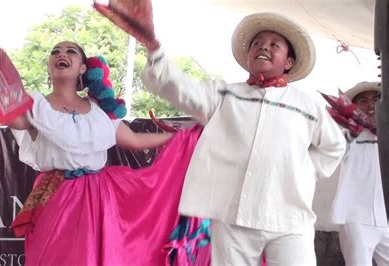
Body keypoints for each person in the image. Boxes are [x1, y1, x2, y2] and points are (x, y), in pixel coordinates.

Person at [95, 4, 347, 265]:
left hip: (290, 216)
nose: (263, 47)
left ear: (289, 63)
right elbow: (178, 87)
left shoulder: (307, 106)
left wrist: (302, 171)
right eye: (257, 43)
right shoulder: (225, 95)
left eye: (275, 45)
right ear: (248, 55)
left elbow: (334, 147)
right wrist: (153, 46)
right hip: (232, 215)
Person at [0, 39, 208, 265]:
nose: (61, 54)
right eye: (55, 51)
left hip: (98, 196)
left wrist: (181, 138)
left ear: (82, 69)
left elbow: (133, 139)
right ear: (49, 67)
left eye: (71, 51)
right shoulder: (36, 106)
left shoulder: (100, 111)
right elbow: (15, 119)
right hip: (56, 194)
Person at [330, 82, 389, 266]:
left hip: (386, 216)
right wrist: (353, 129)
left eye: (376, 99)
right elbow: (332, 151)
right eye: (363, 100)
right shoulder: (345, 134)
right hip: (355, 217)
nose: (371, 105)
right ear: (354, 107)